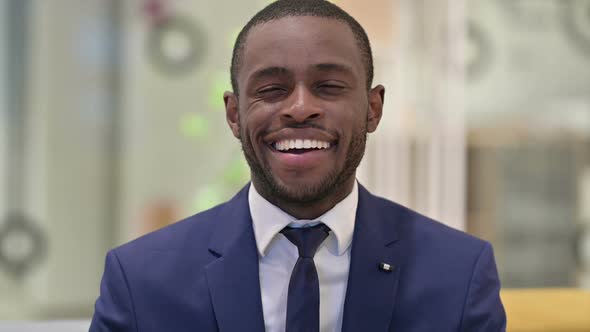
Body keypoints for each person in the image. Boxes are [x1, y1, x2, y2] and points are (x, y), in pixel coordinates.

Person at [90, 0, 506, 331]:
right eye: (272, 89)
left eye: (328, 87)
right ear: (234, 115)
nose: (301, 108)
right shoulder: (141, 281)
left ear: (373, 109)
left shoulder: (458, 274)